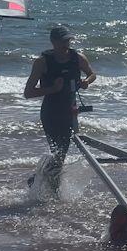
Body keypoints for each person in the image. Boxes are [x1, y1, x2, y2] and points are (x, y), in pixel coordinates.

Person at [23, 26, 96, 191]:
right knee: (59, 154)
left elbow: (92, 73)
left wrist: (87, 82)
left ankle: (39, 180)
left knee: (60, 155)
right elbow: (28, 93)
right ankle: (53, 190)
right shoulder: (42, 62)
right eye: (63, 41)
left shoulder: (77, 58)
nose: (66, 44)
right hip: (50, 112)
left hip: (70, 112)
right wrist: (52, 89)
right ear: (53, 42)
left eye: (68, 41)